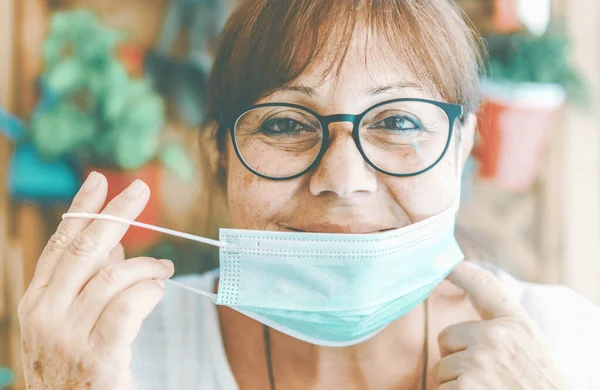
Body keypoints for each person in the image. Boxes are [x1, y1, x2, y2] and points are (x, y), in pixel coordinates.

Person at [17, 1, 600, 389]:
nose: (343, 180)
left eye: (397, 123)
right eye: (283, 124)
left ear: (462, 142)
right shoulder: (117, 349)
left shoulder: (565, 344)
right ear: (220, 153)